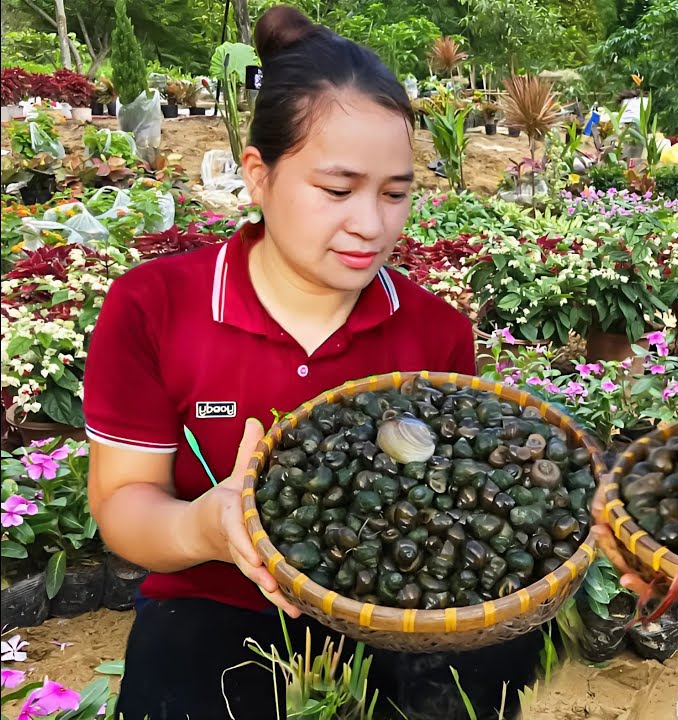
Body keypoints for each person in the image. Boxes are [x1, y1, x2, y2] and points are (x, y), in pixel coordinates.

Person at [85, 7, 541, 719]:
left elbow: (453, 497)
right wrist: (202, 528)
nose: (372, 224)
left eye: (396, 193)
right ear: (258, 176)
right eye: (338, 189)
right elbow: (122, 504)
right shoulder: (155, 307)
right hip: (214, 604)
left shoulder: (435, 333)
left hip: (397, 609)